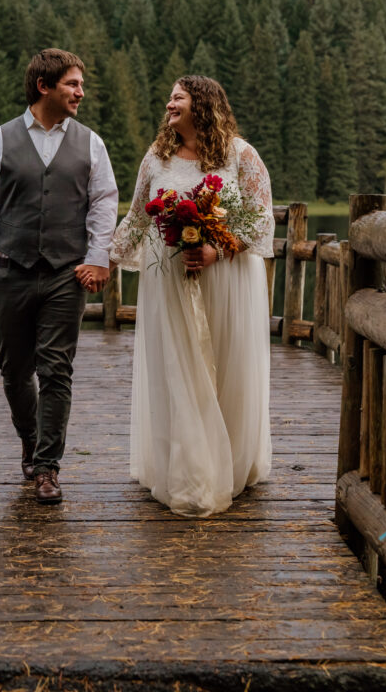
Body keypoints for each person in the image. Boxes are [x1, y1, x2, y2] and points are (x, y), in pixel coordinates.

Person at [109, 75, 274, 517]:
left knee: (226, 366)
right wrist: (103, 258)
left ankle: (233, 459)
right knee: (179, 369)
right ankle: (191, 470)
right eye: (169, 98)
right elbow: (137, 218)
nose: (169, 105)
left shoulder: (241, 155)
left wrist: (216, 248)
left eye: (177, 98)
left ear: (202, 104)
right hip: (171, 279)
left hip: (228, 279)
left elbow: (260, 220)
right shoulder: (157, 156)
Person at [0, 49, 118, 503]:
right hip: (10, 271)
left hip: (65, 275)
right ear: (44, 87)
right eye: (72, 84)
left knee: (57, 370)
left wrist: (98, 257)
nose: (81, 92)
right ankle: (30, 443)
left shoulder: (91, 143)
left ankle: (48, 467)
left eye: (81, 84)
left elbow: (104, 203)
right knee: (15, 371)